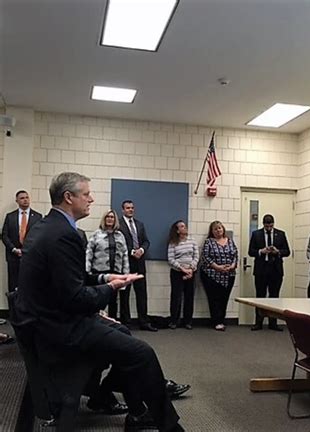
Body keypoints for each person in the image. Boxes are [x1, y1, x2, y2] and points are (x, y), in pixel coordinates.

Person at [14, 172, 184, 431]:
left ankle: (133, 410)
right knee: (142, 354)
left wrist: (107, 276)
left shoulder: (46, 227)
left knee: (124, 333)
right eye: (86, 194)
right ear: (68, 197)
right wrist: (111, 288)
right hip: (58, 328)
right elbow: (75, 298)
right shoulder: (64, 235)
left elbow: (71, 278)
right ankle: (168, 426)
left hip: (46, 318)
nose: (91, 199)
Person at [119, 200, 157, 331]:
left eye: (132, 208)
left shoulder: (139, 224)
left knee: (142, 293)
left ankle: (144, 322)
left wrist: (141, 250)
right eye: (128, 208)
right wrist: (131, 251)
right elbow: (119, 243)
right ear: (122, 210)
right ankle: (126, 323)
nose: (130, 210)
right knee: (125, 294)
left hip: (140, 263)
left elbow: (146, 241)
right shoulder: (118, 224)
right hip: (126, 264)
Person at [248, 214, 290, 331]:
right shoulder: (256, 234)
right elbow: (251, 251)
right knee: (260, 296)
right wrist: (261, 251)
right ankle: (258, 323)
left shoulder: (281, 234)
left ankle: (273, 323)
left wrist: (277, 251)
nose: (269, 228)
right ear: (263, 224)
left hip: (276, 270)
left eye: (271, 226)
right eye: (267, 226)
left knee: (274, 297)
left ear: (273, 224)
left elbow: (287, 251)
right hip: (261, 269)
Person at [86, 210, 129, 319]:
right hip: (99, 272)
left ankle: (112, 323)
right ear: (104, 219)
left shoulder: (120, 236)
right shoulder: (96, 234)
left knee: (113, 300)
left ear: (115, 220)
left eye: (112, 217)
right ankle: (97, 323)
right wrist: (87, 272)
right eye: (108, 217)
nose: (110, 219)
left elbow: (125, 255)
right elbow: (89, 253)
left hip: (115, 273)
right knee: (99, 299)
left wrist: (126, 275)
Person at [200, 221, 238, 331]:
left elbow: (235, 255)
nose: (218, 230)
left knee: (224, 299)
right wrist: (217, 267)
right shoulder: (209, 242)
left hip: (228, 275)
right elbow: (206, 257)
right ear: (212, 231)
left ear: (223, 229)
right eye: (215, 229)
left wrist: (232, 265)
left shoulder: (230, 241)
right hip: (211, 275)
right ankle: (216, 321)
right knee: (214, 299)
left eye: (220, 228)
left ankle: (222, 320)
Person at [1, 190, 42, 292]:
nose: (25, 200)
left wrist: (27, 250)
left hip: (30, 256)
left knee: (30, 285)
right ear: (17, 201)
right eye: (22, 198)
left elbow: (39, 236)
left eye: (27, 198)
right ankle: (13, 308)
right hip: (13, 257)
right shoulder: (10, 216)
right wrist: (13, 249)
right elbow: (5, 235)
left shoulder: (37, 217)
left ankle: (26, 308)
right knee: (13, 285)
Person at [167, 221, 199, 330]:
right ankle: (174, 321)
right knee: (176, 297)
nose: (184, 228)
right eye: (181, 226)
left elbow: (196, 256)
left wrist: (191, 269)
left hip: (191, 272)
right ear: (177, 230)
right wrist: (183, 269)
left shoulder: (192, 241)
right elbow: (171, 259)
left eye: (185, 226)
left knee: (189, 297)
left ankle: (188, 321)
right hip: (177, 272)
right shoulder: (173, 242)